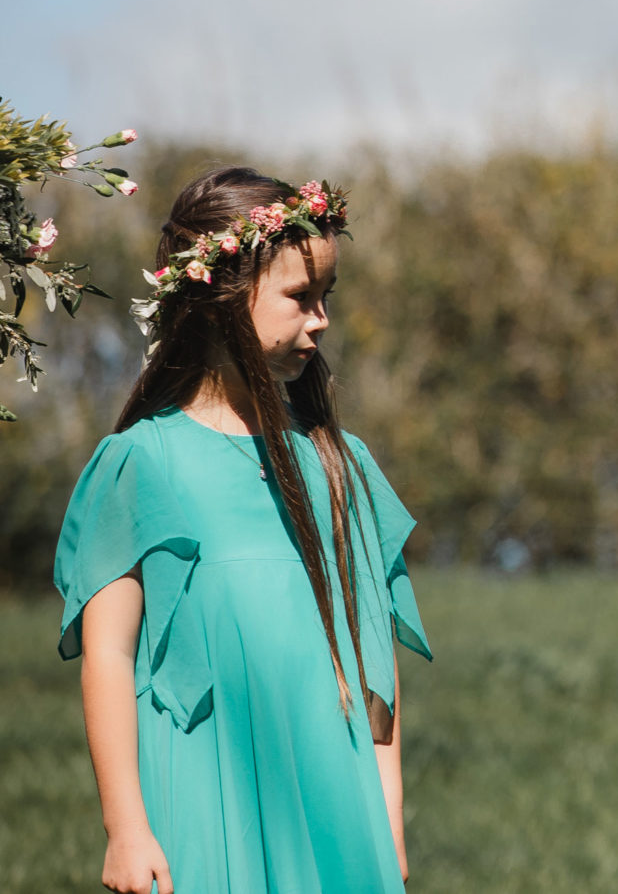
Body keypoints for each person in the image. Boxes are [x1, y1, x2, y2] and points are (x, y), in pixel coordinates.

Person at [55, 167, 429, 894]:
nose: (320, 319)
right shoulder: (141, 463)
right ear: (220, 295)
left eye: (327, 298)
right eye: (300, 297)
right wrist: (125, 828)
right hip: (203, 791)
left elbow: (372, 654)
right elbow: (107, 655)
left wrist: (388, 808)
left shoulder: (336, 462)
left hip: (333, 795)